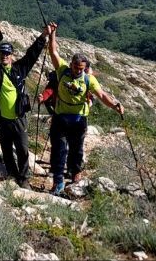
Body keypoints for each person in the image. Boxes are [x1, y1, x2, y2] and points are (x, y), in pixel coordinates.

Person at [0, 24, 53, 187]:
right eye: (2, 53)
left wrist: (43, 36)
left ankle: (24, 178)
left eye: (7, 53)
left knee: (22, 149)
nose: (4, 56)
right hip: (1, 119)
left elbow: (32, 54)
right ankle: (12, 173)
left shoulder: (20, 68)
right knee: (6, 149)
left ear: (12, 55)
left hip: (18, 117)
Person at [46, 27, 124, 195]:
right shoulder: (62, 70)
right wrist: (52, 34)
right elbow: (53, 51)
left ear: (85, 67)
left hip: (79, 119)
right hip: (60, 117)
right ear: (71, 64)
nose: (77, 70)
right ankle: (58, 181)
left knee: (76, 149)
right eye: (75, 67)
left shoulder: (89, 79)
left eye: (81, 68)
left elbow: (102, 95)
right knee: (58, 149)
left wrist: (115, 105)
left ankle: (75, 175)